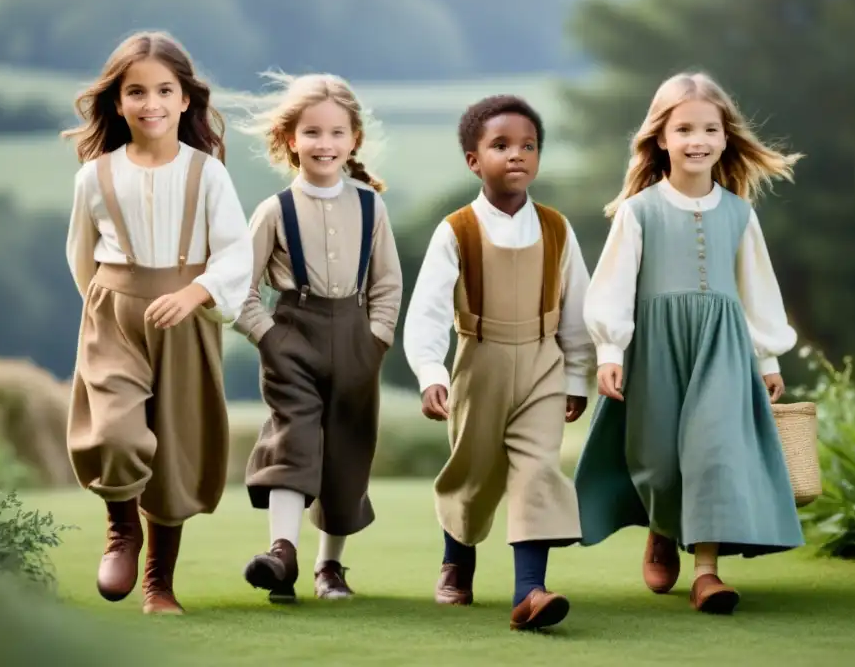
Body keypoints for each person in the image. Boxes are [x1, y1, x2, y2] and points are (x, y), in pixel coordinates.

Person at [575, 71, 805, 614]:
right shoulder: (638, 212)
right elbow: (612, 285)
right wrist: (610, 352)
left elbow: (756, 288)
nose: (697, 140)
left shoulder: (739, 214)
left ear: (726, 138)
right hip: (654, 349)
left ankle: (706, 571)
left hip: (722, 351)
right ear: (661, 137)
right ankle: (662, 525)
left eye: (709, 128)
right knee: (658, 456)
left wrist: (767, 355)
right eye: (684, 129)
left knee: (714, 452)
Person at [63, 31, 254, 615]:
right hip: (115, 316)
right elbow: (81, 256)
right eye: (136, 92)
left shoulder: (208, 174)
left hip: (187, 316)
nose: (151, 103)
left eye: (164, 90)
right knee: (116, 431)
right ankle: (122, 528)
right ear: (117, 102)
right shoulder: (94, 177)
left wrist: (195, 293)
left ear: (185, 99)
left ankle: (158, 583)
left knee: (174, 449)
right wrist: (112, 302)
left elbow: (236, 253)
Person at [402, 94, 594, 631]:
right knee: (475, 471)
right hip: (478, 361)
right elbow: (428, 313)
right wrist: (431, 374)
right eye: (501, 145)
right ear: (473, 160)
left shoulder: (557, 229)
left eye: (528, 146)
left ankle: (529, 591)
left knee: (538, 470)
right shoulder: (456, 230)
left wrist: (577, 373)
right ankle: (457, 561)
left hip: (542, 363)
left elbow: (576, 309)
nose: (517, 155)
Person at [231, 72, 402, 603]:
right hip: (293, 339)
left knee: (347, 451)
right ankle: (282, 553)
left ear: (353, 140)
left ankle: (330, 568)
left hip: (356, 338)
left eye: (335, 133)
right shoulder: (274, 211)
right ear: (289, 140)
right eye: (311, 133)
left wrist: (375, 340)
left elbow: (387, 283)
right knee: (295, 438)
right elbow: (238, 288)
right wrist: (267, 337)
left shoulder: (372, 207)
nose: (323, 144)